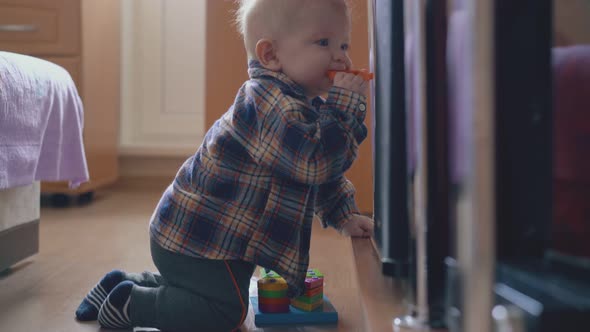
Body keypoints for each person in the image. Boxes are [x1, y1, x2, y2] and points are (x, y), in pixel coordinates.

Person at [75, 0, 374, 330]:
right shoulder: (269, 104)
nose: (341, 57)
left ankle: (122, 282)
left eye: (343, 44)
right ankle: (133, 304)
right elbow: (313, 163)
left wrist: (343, 214)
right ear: (271, 56)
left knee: (207, 291)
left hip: (205, 241)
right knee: (226, 311)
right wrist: (346, 109)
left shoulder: (299, 105)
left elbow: (315, 175)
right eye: (323, 43)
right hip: (198, 241)